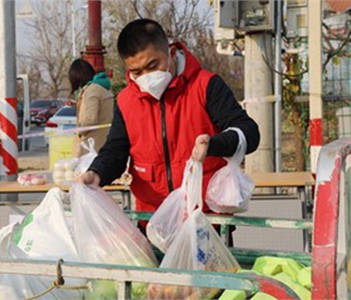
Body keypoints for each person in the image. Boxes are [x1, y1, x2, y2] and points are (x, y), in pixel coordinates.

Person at [78, 19, 260, 231]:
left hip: (206, 223)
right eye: (137, 72)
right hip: (153, 222)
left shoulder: (205, 86)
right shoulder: (127, 101)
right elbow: (115, 152)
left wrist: (214, 144)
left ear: (171, 53)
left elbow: (249, 132)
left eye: (153, 66)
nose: (147, 77)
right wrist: (96, 173)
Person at [68, 58, 114, 157]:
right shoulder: (103, 88)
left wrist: (79, 131)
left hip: (91, 145)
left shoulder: (91, 91)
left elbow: (91, 119)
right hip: (104, 140)